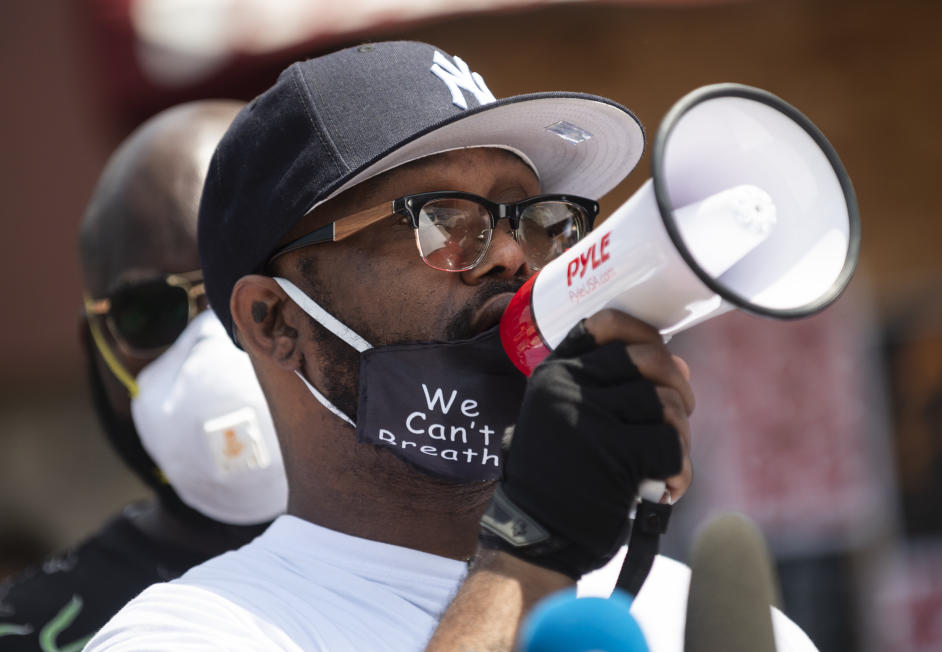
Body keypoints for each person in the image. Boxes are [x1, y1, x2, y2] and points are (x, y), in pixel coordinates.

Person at [85, 41, 815, 651]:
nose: (510, 254)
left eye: (539, 217)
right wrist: (529, 557)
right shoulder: (191, 632)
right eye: (440, 219)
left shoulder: (707, 621)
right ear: (275, 321)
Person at [0, 101, 287, 651]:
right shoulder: (30, 628)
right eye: (151, 311)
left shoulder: (478, 564)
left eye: (254, 295)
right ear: (97, 349)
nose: (214, 344)